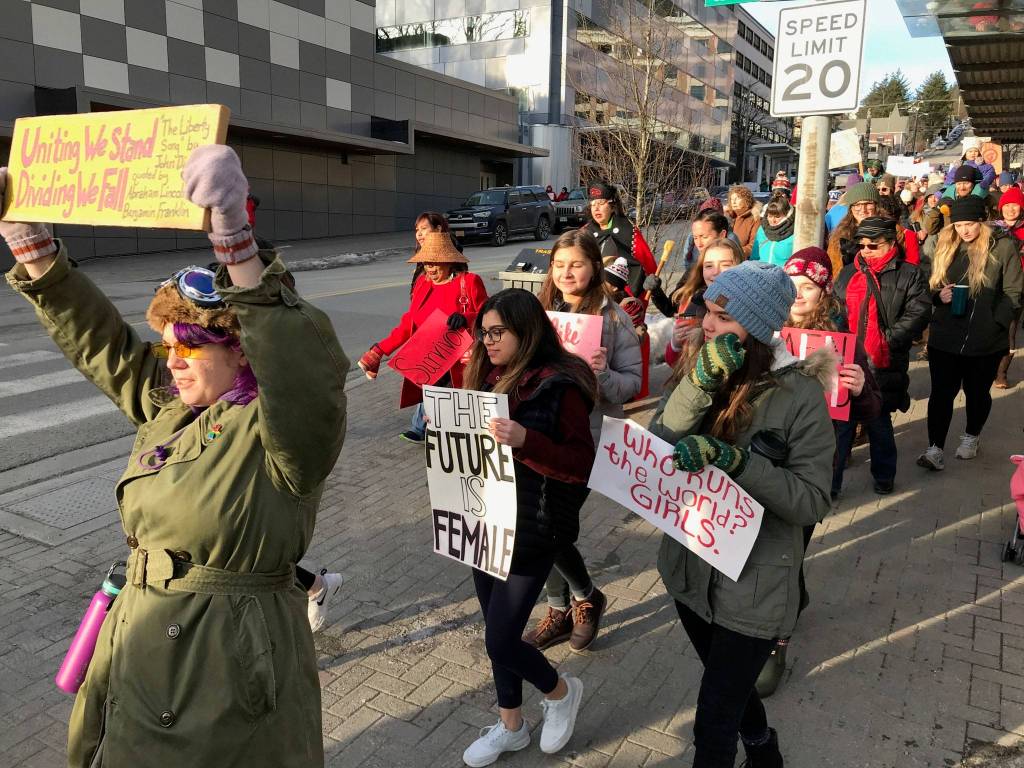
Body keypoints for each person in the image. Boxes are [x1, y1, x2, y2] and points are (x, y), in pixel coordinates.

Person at [2, 147, 348, 767]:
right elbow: (106, 348)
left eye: (191, 345)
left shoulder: (283, 433)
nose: (175, 361)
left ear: (243, 351)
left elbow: (304, 372)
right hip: (140, 643)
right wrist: (38, 255)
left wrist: (239, 251)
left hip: (227, 665)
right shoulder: (172, 408)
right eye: (168, 347)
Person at [649, 261, 835, 768]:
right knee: (723, 681)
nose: (707, 325)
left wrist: (737, 462)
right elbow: (658, 445)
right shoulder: (699, 368)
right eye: (707, 311)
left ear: (754, 329)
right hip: (689, 569)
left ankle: (748, 747)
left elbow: (813, 500)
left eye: (722, 318)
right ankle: (763, 749)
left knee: (712, 720)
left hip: (754, 587)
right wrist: (699, 388)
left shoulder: (800, 396)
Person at [459, 288, 596, 766]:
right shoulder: (488, 375)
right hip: (484, 520)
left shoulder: (560, 384)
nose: (487, 341)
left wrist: (527, 440)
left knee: (499, 639)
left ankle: (559, 692)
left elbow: (581, 463)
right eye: (484, 333)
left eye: (497, 333)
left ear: (527, 330)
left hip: (534, 528)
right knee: (497, 630)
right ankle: (511, 726)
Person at [753, 248, 883, 698]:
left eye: (807, 287)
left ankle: (777, 641)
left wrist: (861, 390)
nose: (797, 296)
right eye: (791, 288)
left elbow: (871, 407)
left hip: (812, 468)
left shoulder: (840, 341)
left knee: (789, 549)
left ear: (823, 290)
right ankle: (792, 596)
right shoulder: (767, 334)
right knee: (773, 547)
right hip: (765, 458)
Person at [527, 231, 642, 651]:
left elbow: (631, 384)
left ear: (594, 266)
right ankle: (560, 608)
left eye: (575, 264)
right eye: (559, 265)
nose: (566, 273)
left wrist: (604, 373)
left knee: (553, 528)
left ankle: (586, 598)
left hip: (585, 441)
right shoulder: (539, 313)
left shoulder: (612, 319)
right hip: (537, 434)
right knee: (541, 526)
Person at [917, 197, 1024, 470]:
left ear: (982, 221)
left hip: (985, 341)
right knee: (941, 394)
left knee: (977, 394)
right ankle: (934, 448)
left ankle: (971, 436)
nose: (964, 230)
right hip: (945, 336)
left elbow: (1014, 293)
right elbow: (928, 285)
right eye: (959, 225)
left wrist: (995, 323)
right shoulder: (945, 244)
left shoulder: (1003, 247)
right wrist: (938, 296)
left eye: (970, 224)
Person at [832, 217, 931, 494]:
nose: (865, 250)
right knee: (841, 426)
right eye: (861, 245)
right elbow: (835, 308)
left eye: (872, 245)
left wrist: (888, 340)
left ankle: (884, 477)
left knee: (878, 423)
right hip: (847, 358)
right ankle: (831, 484)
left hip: (882, 362)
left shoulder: (908, 273)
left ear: (890, 243)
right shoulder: (848, 272)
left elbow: (920, 311)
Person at [358, 233, 488, 443]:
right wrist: (379, 351)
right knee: (437, 423)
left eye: (435, 262)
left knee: (457, 425)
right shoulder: (422, 284)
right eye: (426, 262)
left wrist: (466, 317)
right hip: (430, 365)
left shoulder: (470, 282)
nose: (430, 267)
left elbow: (488, 315)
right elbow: (408, 324)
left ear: (450, 261)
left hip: (460, 366)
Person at [646, 209, 734, 318]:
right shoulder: (694, 270)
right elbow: (670, 309)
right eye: (695, 238)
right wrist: (656, 291)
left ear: (722, 235)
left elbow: (731, 310)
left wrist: (700, 310)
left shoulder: (733, 271)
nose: (699, 243)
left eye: (704, 237)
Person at [582, 181, 657, 297]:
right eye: (593, 204)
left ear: (612, 207)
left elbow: (647, 266)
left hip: (621, 297)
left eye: (601, 203)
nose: (596, 208)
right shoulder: (584, 232)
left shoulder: (629, 231)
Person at [992, 185, 1024, 387]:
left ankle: (1001, 373)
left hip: (1018, 285)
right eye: (1007, 205)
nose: (1011, 209)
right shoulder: (992, 228)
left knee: (1011, 327)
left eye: (1016, 205)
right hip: (995, 284)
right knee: (994, 326)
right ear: (1001, 207)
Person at [827, 182, 882, 275]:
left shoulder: (892, 231)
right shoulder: (839, 234)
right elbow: (833, 268)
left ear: (877, 206)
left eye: (868, 203)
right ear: (851, 208)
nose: (863, 209)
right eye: (857, 205)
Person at [410, 211, 463, 292]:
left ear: (438, 229)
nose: (419, 234)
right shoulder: (421, 253)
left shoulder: (451, 254)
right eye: (417, 230)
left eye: (424, 228)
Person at [751, 197, 795, 267]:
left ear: (787, 215)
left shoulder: (794, 233)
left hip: (784, 275)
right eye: (770, 216)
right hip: (762, 272)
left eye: (777, 217)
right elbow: (754, 256)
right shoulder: (762, 229)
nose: (773, 220)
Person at [726, 185, 760, 257]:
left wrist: (739, 252)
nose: (734, 202)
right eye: (732, 199)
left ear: (746, 200)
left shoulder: (754, 218)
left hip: (743, 260)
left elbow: (754, 244)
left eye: (737, 198)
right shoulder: (727, 216)